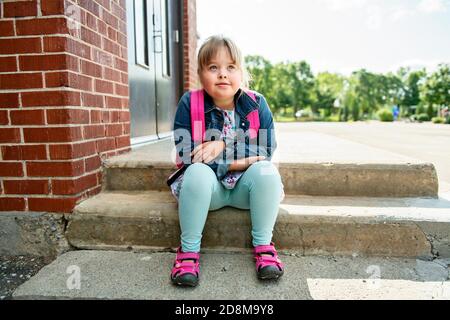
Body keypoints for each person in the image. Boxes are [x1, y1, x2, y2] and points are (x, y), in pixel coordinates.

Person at [168, 35, 285, 287]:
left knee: (266, 171)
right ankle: (188, 252)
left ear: (241, 72)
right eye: (213, 67)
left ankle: (264, 247)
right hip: (206, 193)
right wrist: (234, 163)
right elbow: (185, 153)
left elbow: (265, 149)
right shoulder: (190, 103)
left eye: (230, 67)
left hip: (246, 191)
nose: (223, 74)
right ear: (200, 74)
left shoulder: (256, 104)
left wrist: (224, 144)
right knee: (197, 170)